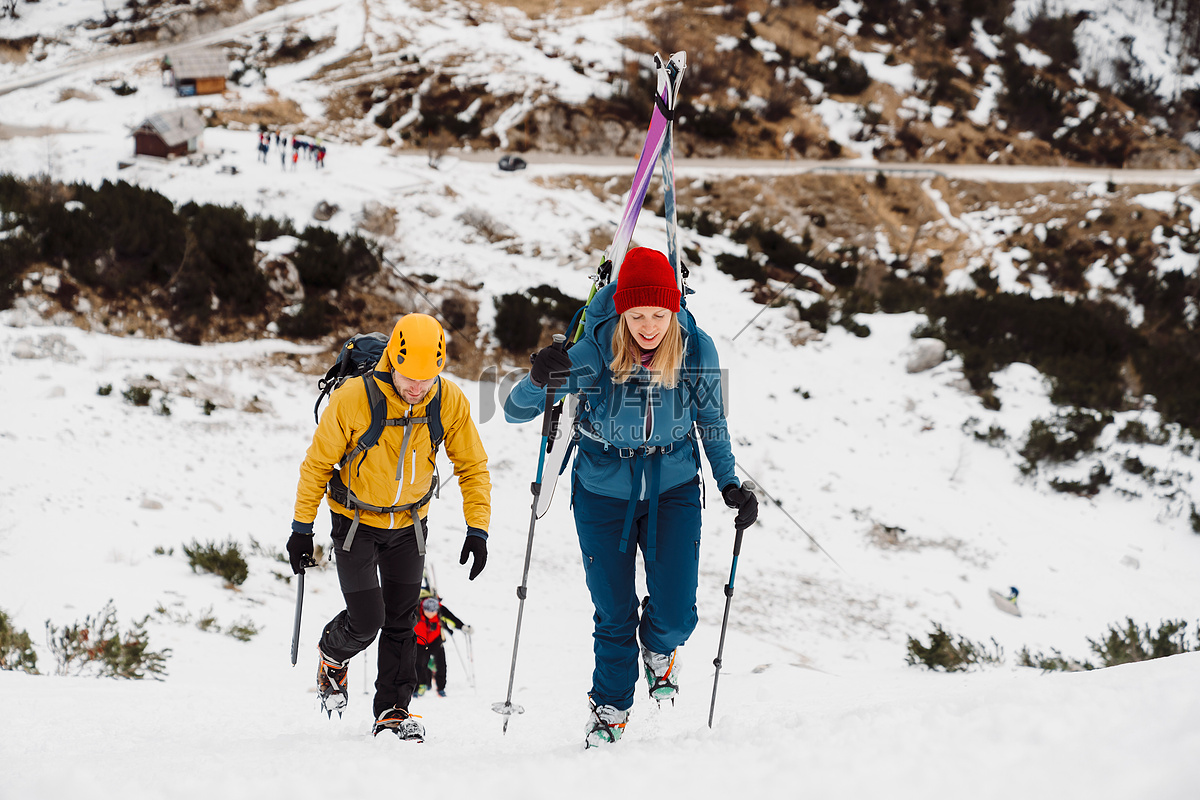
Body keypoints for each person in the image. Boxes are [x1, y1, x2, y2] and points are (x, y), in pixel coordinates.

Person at [502, 247, 758, 748]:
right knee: (614, 612)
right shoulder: (596, 349)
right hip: (602, 491)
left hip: (675, 487)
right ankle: (611, 707)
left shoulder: (695, 348)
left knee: (678, 613)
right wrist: (539, 379)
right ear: (620, 310)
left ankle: (660, 650)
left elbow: (712, 422)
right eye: (636, 315)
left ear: (673, 308)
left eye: (658, 315)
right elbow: (514, 411)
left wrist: (729, 483)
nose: (647, 327)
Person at [287, 313, 492, 742]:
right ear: (391, 362)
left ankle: (393, 713)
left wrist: (478, 528)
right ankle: (332, 653)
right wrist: (301, 528)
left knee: (402, 620)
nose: (416, 387)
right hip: (355, 523)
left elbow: (472, 464)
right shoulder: (353, 399)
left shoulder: (447, 400)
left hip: (410, 526)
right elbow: (317, 466)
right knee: (367, 620)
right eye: (407, 376)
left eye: (427, 378)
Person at [414, 593, 471, 697]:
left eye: (433, 612)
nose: (431, 614)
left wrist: (463, 627)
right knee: (419, 665)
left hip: (435, 640)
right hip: (419, 642)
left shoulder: (440, 610)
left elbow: (452, 619)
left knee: (441, 665)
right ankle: (418, 687)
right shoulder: (415, 610)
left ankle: (441, 688)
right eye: (428, 612)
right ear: (423, 609)